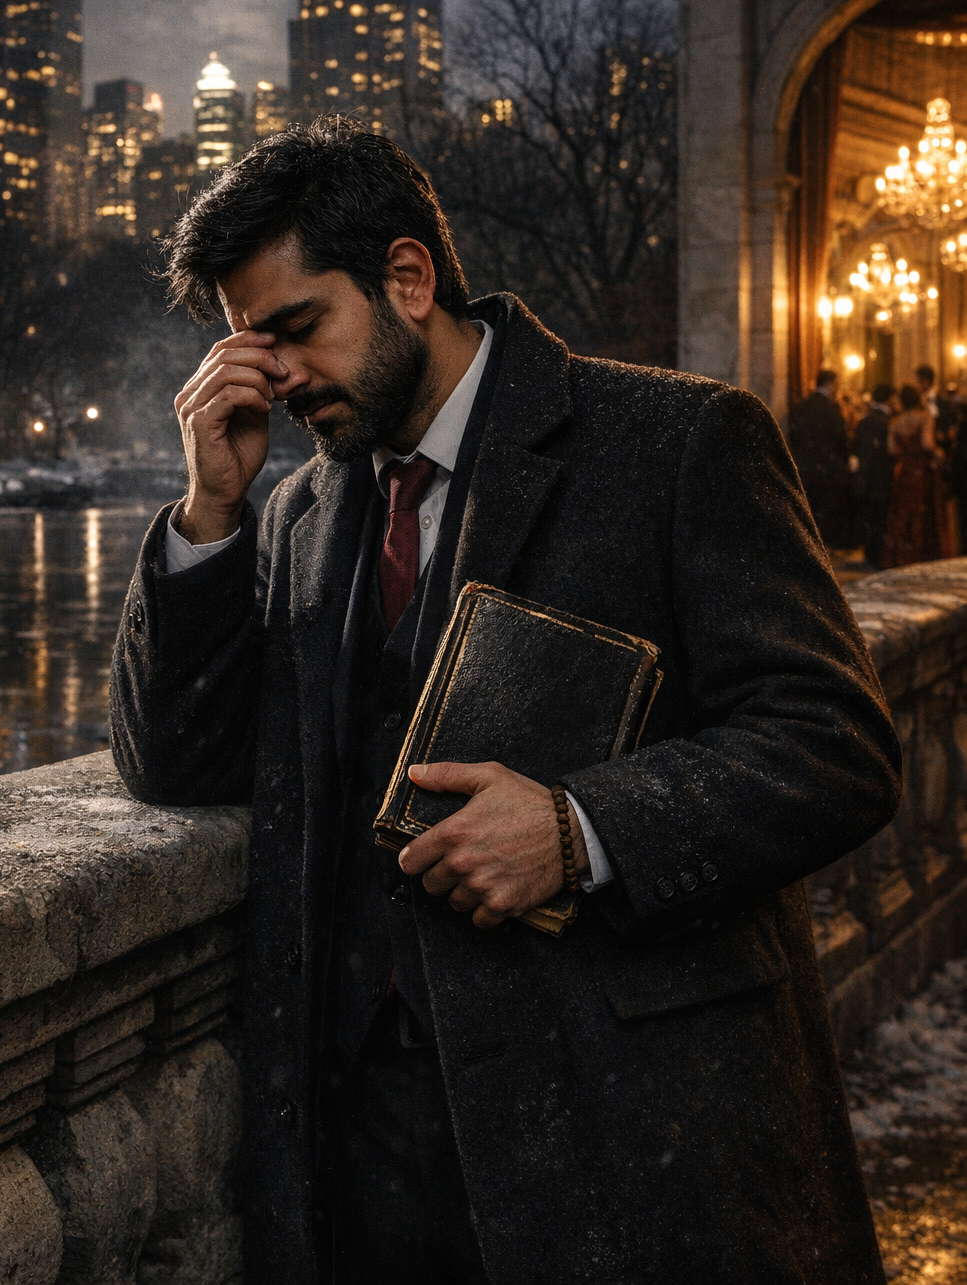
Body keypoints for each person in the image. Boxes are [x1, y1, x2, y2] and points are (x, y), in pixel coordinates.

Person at [110, 119, 900, 1285]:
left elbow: (836, 745)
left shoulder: (677, 441)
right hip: (364, 1150)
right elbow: (179, 765)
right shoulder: (293, 515)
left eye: (293, 329)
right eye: (245, 343)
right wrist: (208, 514)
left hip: (623, 1128)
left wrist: (581, 833)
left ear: (408, 278)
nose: (271, 377)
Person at [882, 384, 951, 568]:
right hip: (921, 470)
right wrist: (940, 455)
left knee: (903, 510)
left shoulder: (895, 422)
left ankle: (903, 552)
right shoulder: (924, 418)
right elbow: (927, 443)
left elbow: (892, 449)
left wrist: (906, 451)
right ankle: (923, 553)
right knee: (923, 510)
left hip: (904, 469)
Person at [787, 368, 850, 545]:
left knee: (808, 510)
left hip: (806, 466)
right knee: (825, 512)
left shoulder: (802, 405)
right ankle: (822, 548)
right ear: (830, 383)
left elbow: (794, 435)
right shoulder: (831, 408)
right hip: (827, 468)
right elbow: (840, 438)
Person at [854, 384, 896, 568]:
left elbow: (857, 448)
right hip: (883, 475)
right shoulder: (889, 421)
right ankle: (879, 553)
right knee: (882, 516)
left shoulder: (865, 421)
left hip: (866, 475)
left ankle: (870, 551)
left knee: (870, 516)